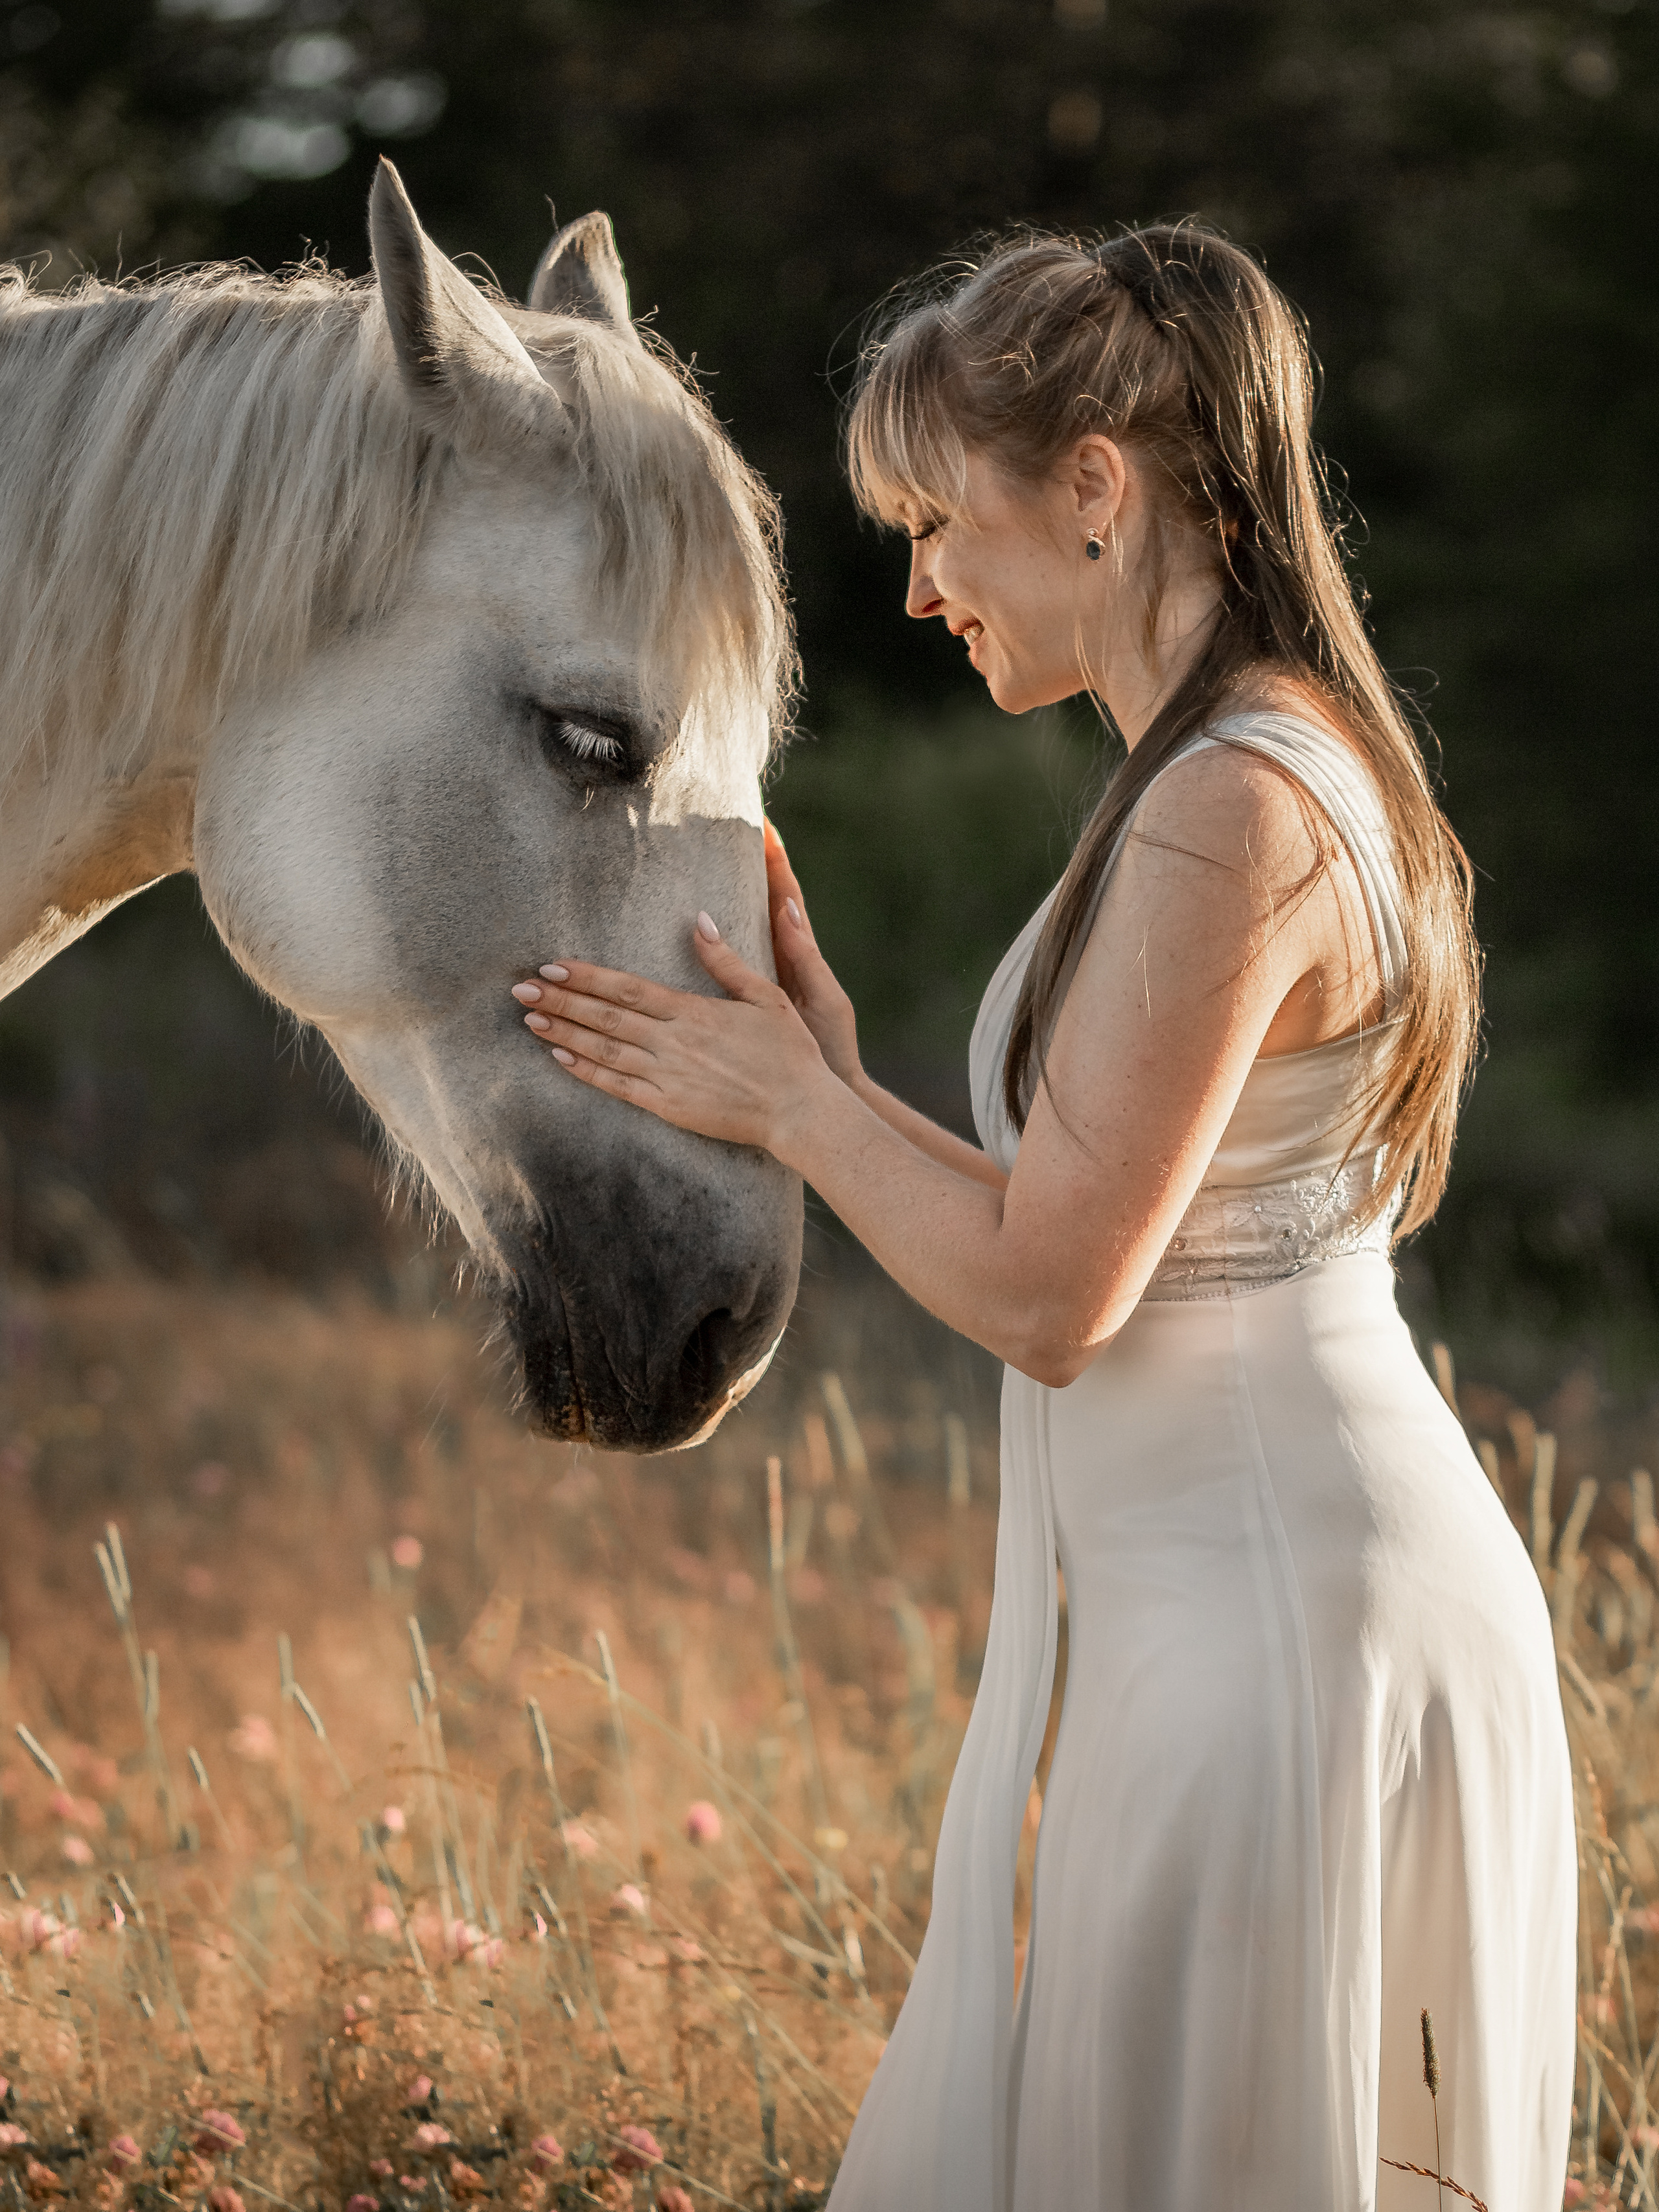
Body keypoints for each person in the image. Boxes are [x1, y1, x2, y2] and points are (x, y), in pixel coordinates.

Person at [507, 225, 1575, 2211]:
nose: (918, 589)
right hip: (1251, 1612)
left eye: (936, 526)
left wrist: (797, 1109)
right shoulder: (1233, 768)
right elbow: (1109, 1223)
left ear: (1095, 488)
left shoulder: (1233, 804)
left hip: (1282, 1642)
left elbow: (1055, 1298)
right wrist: (834, 1076)